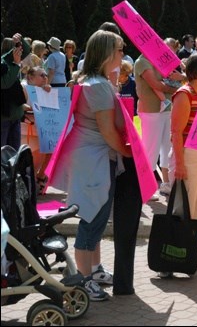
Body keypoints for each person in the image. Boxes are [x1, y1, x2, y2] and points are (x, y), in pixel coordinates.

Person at [50, 29, 131, 301]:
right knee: (91, 218)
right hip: (93, 158)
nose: (122, 53)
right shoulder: (97, 86)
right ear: (108, 52)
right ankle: (83, 281)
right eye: (119, 48)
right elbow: (108, 132)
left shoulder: (96, 82)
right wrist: (129, 154)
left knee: (95, 215)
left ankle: (93, 271)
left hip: (93, 157)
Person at [163, 52, 197, 277]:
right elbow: (176, 132)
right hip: (189, 154)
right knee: (182, 208)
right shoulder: (184, 94)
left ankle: (191, 253)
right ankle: (168, 259)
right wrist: (181, 164)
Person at [134, 38, 181, 199]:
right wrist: (175, 87)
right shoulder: (142, 62)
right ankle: (143, 188)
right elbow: (155, 84)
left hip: (165, 110)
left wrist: (174, 85)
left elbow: (169, 80)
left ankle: (166, 184)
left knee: (166, 148)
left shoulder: (158, 61)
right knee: (151, 149)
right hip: (151, 111)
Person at [20, 66, 52, 193]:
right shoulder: (23, 87)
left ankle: (39, 177)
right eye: (41, 75)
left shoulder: (46, 89)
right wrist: (26, 108)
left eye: (46, 75)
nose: (45, 78)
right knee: (27, 163)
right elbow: (17, 104)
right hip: (26, 131)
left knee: (50, 151)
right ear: (30, 78)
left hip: (41, 131)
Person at [1, 33, 31, 150]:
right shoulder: (5, 62)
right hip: (3, 117)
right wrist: (16, 64)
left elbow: (26, 50)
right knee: (3, 153)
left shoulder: (6, 59)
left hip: (15, 115)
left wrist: (20, 40)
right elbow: (5, 83)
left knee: (14, 153)